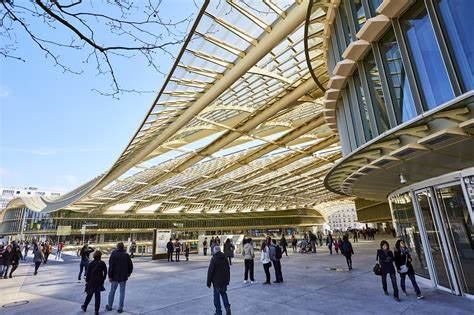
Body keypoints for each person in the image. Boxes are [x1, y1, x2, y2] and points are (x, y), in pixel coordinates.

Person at [106, 242, 133, 313]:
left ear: (117, 247)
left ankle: (109, 306)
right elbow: (130, 265)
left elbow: (111, 265)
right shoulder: (126, 255)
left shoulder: (114, 254)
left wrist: (110, 276)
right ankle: (120, 308)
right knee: (122, 292)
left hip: (115, 276)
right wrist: (129, 273)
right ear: (123, 247)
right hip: (123, 277)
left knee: (112, 291)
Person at [207, 246, 231, 315]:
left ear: (215, 251)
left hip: (217, 282)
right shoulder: (225, 258)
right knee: (224, 294)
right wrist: (227, 280)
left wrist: (208, 282)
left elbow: (210, 271)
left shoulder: (214, 259)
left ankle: (218, 312)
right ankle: (227, 308)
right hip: (224, 281)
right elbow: (228, 269)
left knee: (216, 298)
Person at [82, 250, 107, 315]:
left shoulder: (91, 264)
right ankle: (96, 311)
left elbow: (88, 274)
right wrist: (103, 278)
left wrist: (87, 281)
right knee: (97, 296)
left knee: (89, 295)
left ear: (94, 256)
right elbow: (105, 272)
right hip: (99, 282)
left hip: (91, 281)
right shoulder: (102, 263)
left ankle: (85, 306)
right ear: (100, 256)